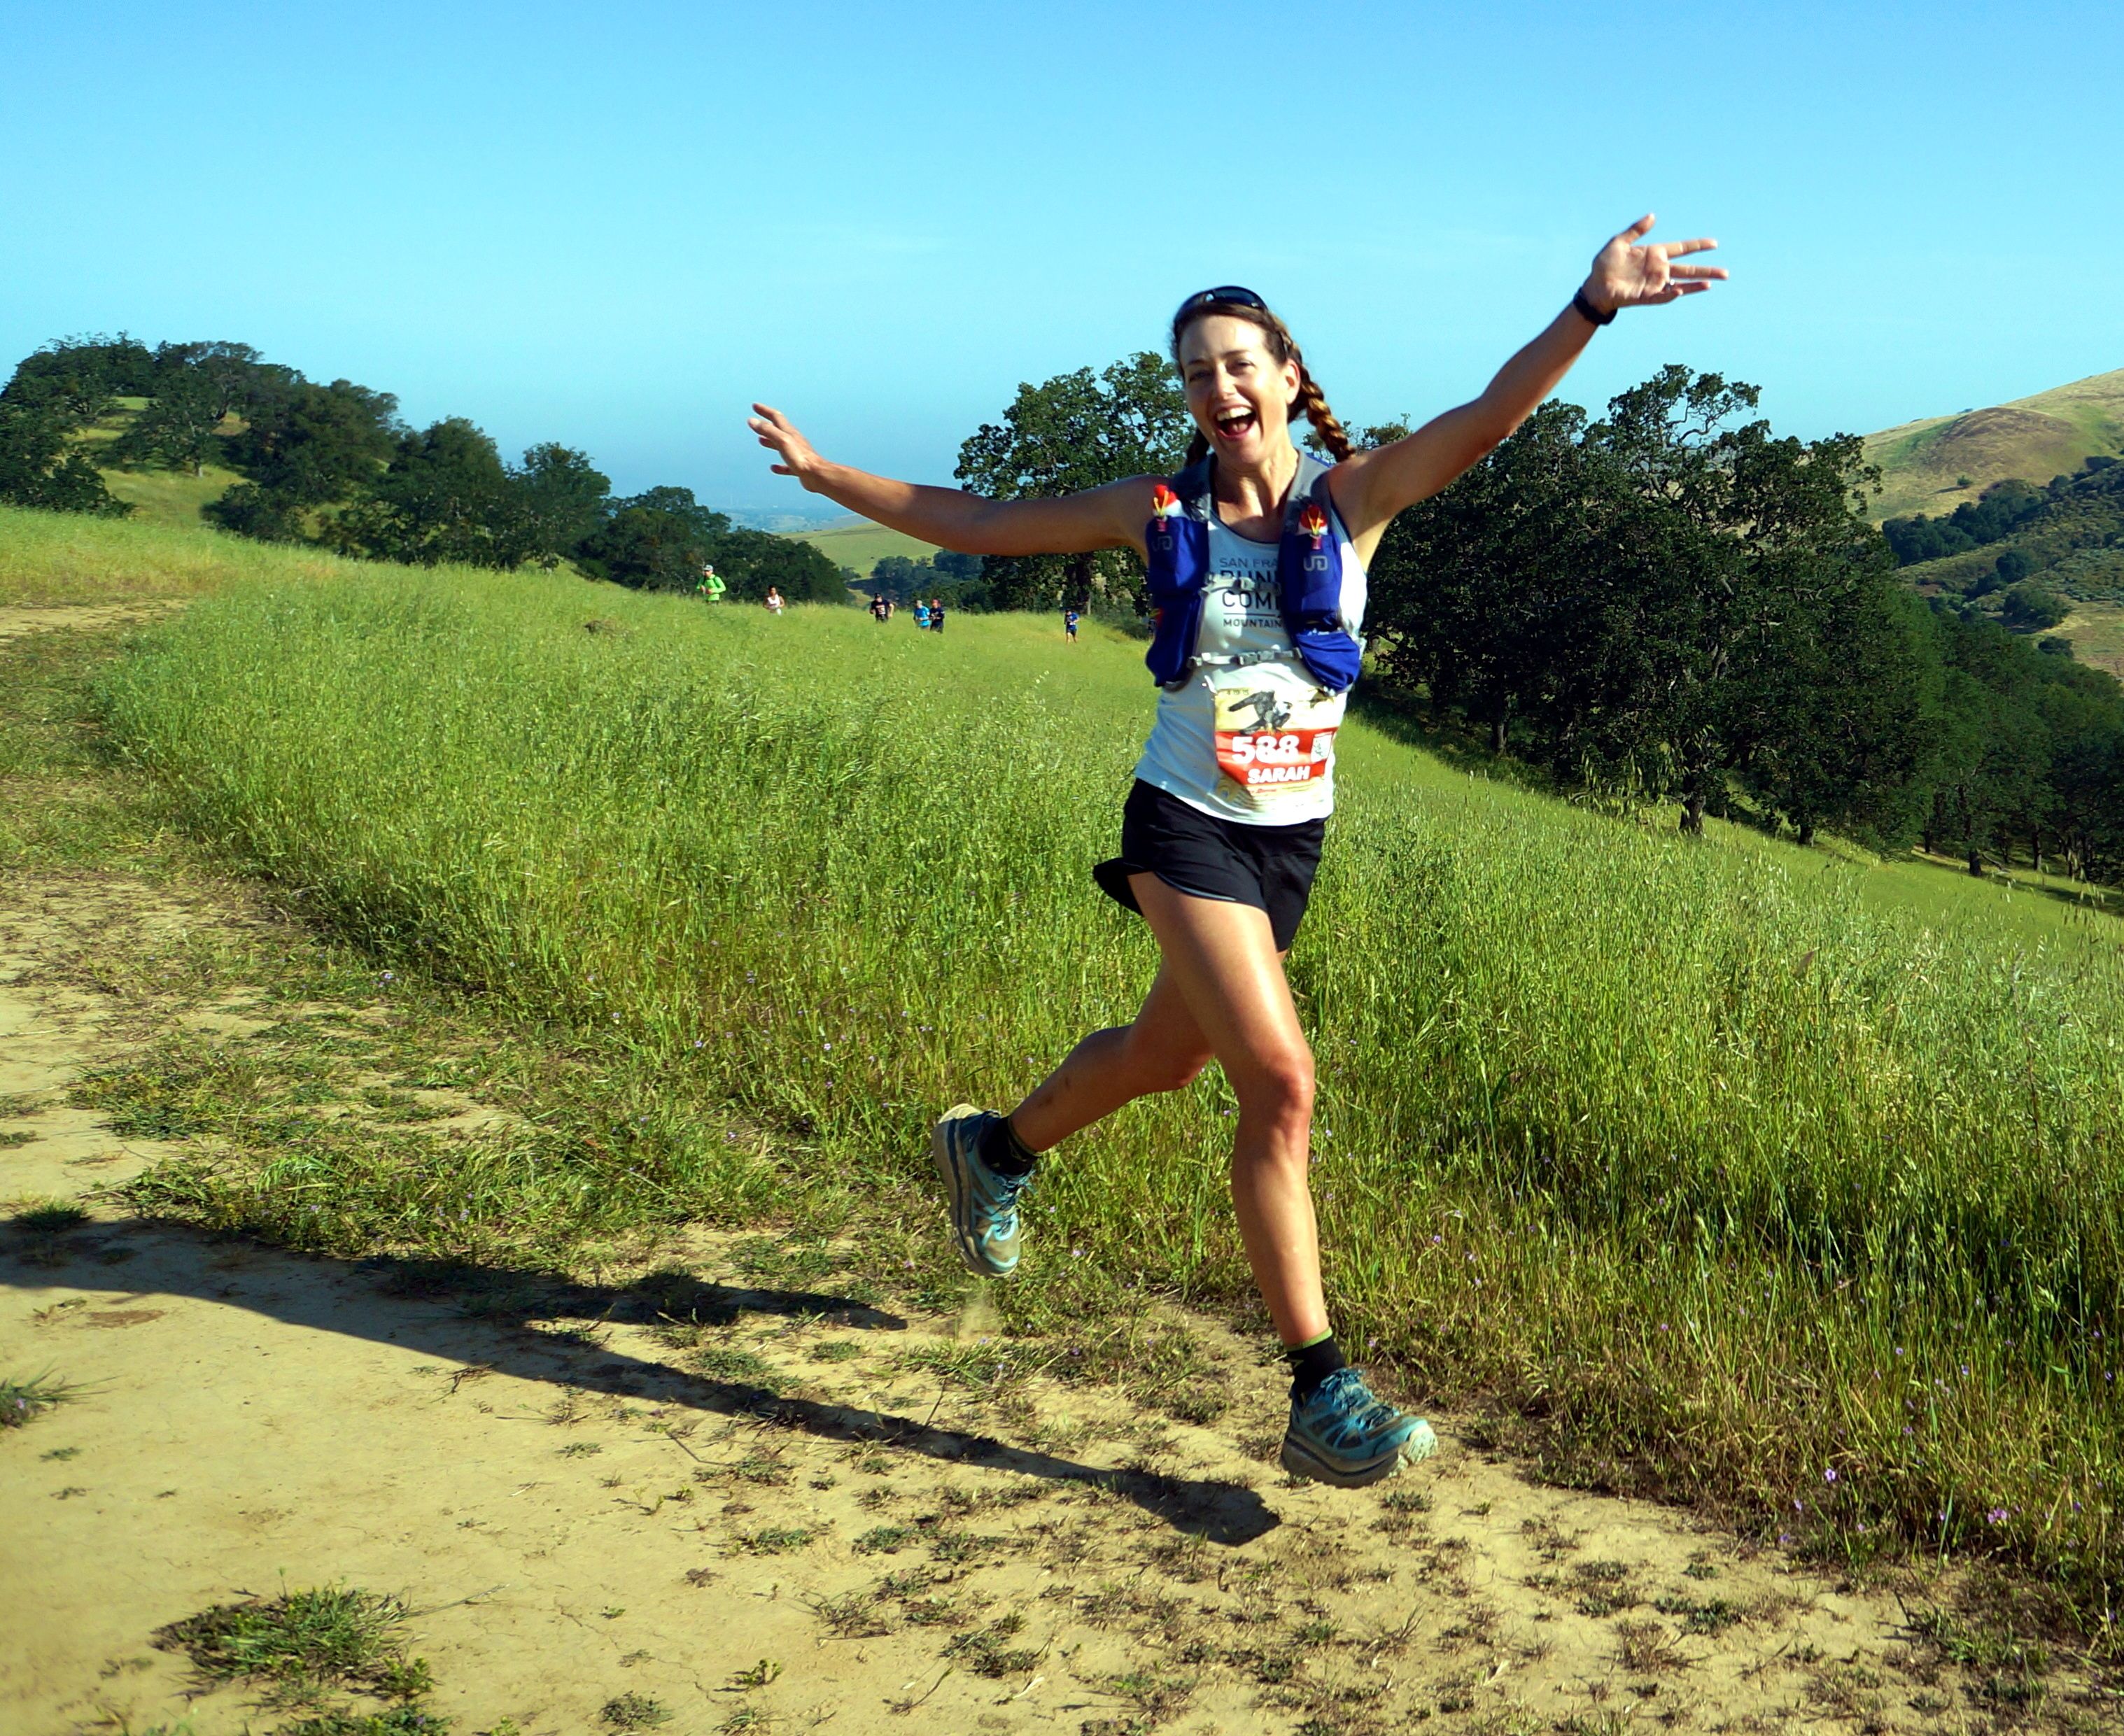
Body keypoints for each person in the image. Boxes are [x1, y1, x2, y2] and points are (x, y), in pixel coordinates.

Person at [747, 216, 1723, 1488]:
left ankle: (993, 1149)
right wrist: (829, 478)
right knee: (1281, 1081)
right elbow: (981, 520)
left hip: (1288, 846)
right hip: (1180, 821)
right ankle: (1323, 1390)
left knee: (1163, 1057)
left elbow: (1488, 418)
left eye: (1236, 362)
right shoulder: (1153, 513)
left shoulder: (1353, 498)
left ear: (1282, 371)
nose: (1217, 386)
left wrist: (1587, 309)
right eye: (1195, 370)